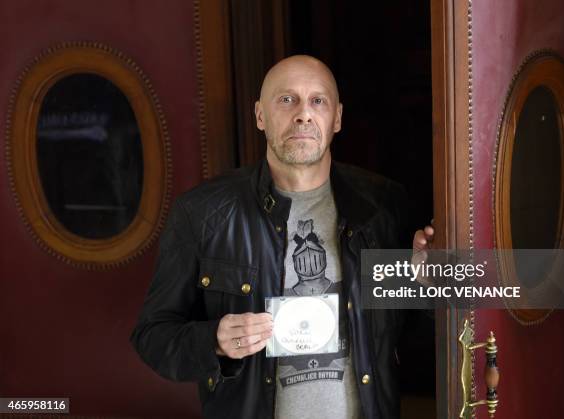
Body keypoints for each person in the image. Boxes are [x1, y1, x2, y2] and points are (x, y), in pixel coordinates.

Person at [130, 55, 434, 419]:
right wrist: (214, 341)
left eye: (317, 101)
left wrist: (427, 283)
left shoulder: (384, 207)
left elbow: (417, 339)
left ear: (337, 117)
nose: (304, 113)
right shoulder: (202, 214)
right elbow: (152, 336)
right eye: (287, 99)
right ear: (260, 115)